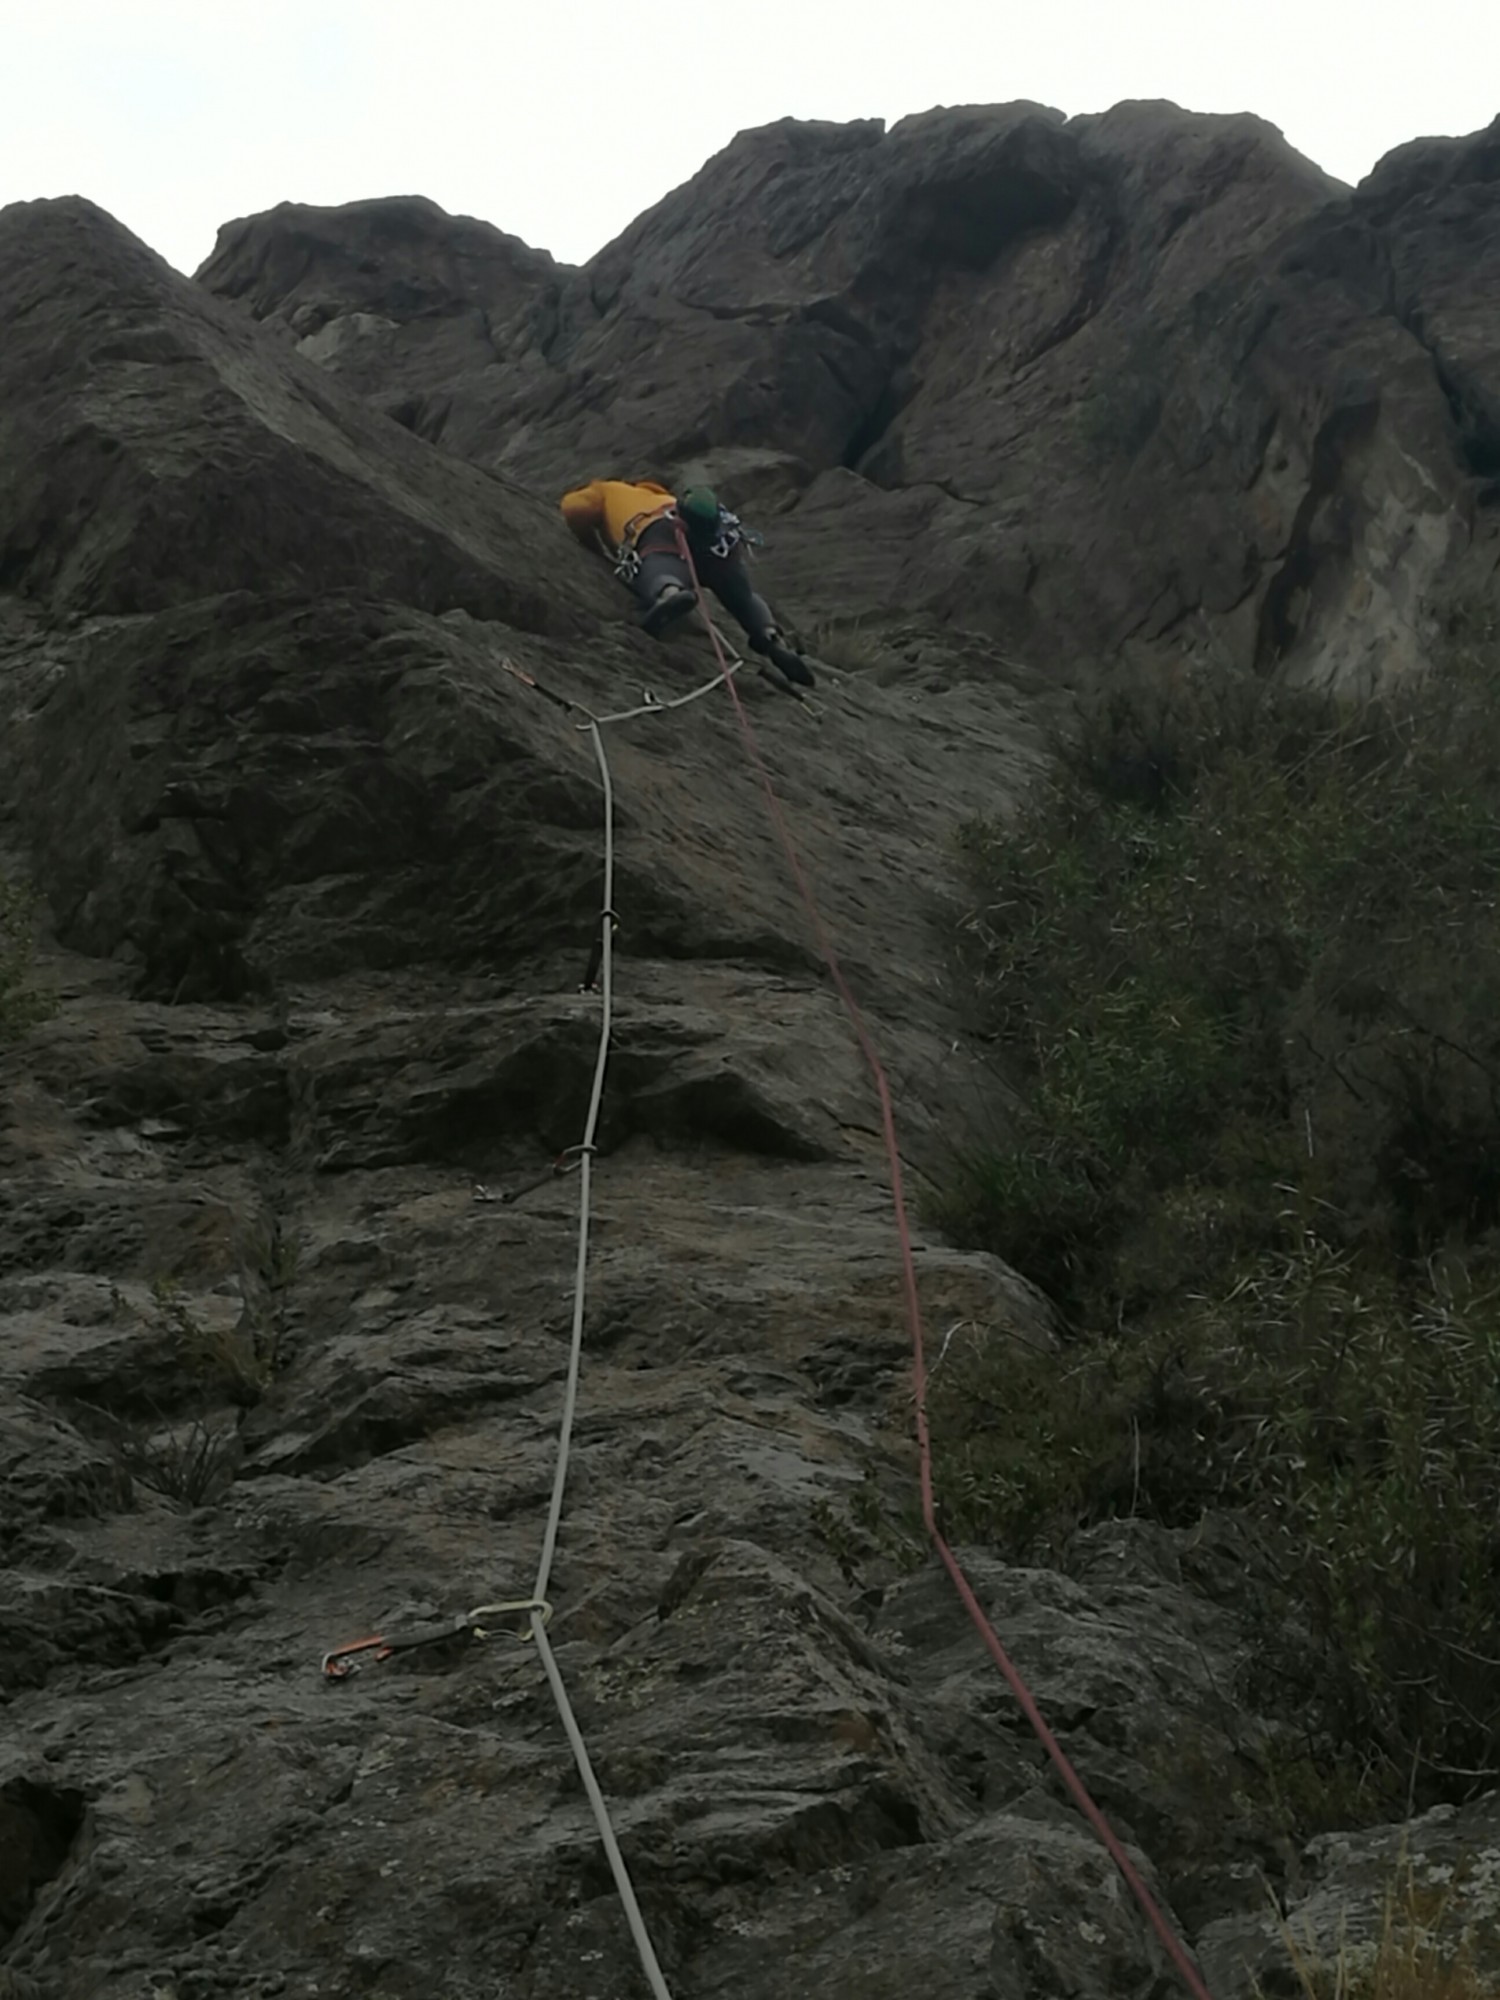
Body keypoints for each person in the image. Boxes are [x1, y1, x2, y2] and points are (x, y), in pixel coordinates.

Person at [558, 478, 815, 687]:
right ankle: (770, 636)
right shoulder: (663, 496)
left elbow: (573, 508)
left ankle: (669, 593)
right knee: (741, 595)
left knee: (661, 564)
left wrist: (595, 549)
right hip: (719, 538)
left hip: (662, 530)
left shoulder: (606, 489)